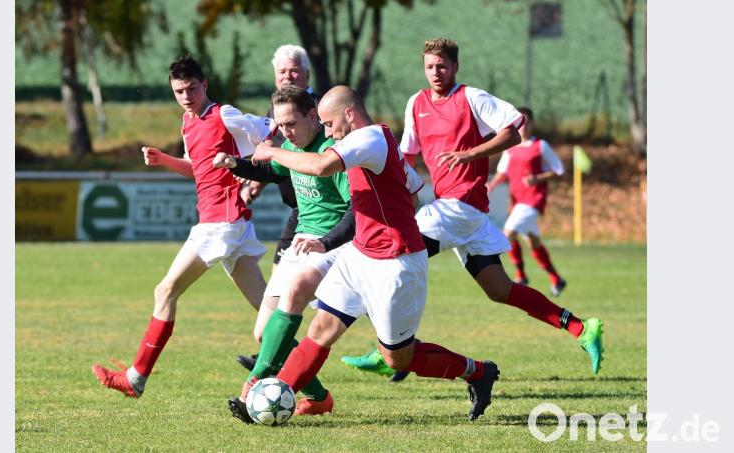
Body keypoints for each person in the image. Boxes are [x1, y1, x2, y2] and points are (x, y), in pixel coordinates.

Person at [233, 85, 501, 422]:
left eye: (329, 124)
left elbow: (320, 166)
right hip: (360, 255)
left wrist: (271, 152)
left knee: (397, 358)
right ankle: (271, 398)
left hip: (395, 264)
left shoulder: (369, 139)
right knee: (321, 329)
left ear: (349, 114)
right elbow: (414, 191)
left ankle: (477, 372)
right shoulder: (376, 143)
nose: (327, 132)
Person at [342, 38, 603, 377]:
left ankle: (387, 350)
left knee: (392, 261)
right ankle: (582, 327)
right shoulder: (416, 103)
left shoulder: (472, 98)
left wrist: (470, 154)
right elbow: (405, 155)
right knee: (499, 289)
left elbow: (514, 132)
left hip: (461, 205)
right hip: (457, 211)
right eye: (429, 67)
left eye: (442, 66)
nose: (436, 72)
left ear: (455, 67)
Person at [91, 56, 276, 397]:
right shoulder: (187, 123)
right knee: (269, 314)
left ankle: (135, 378)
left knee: (165, 291)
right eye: (179, 90)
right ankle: (316, 392)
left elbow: (273, 130)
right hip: (227, 223)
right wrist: (163, 160)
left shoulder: (224, 114)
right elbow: (197, 167)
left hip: (221, 222)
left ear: (205, 85)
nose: (187, 96)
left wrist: (249, 166)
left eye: (192, 88)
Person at [216, 85, 356, 420]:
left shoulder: (332, 152)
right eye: (279, 126)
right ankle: (319, 398)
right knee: (265, 333)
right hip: (300, 243)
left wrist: (327, 241)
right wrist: (236, 163)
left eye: (290, 123)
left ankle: (255, 384)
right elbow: (269, 170)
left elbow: (356, 211)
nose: (283, 132)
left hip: (331, 247)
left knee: (288, 309)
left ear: (312, 116)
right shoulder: (293, 147)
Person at [235, 44, 323, 372]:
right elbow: (276, 157)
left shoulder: (320, 110)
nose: (288, 76)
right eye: (282, 72)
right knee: (281, 280)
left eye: (294, 71)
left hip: (326, 211)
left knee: (348, 298)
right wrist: (253, 177)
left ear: (306, 75)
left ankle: (398, 344)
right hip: (300, 213)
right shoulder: (279, 112)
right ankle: (273, 352)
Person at [486, 107, 567, 295]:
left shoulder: (540, 146)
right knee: (533, 241)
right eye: (520, 122)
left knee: (508, 234)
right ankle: (556, 279)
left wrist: (537, 179)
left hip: (533, 200)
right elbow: (502, 172)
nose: (523, 126)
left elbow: (558, 169)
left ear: (532, 124)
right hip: (517, 201)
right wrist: (491, 186)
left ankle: (520, 276)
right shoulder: (510, 147)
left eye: (527, 122)